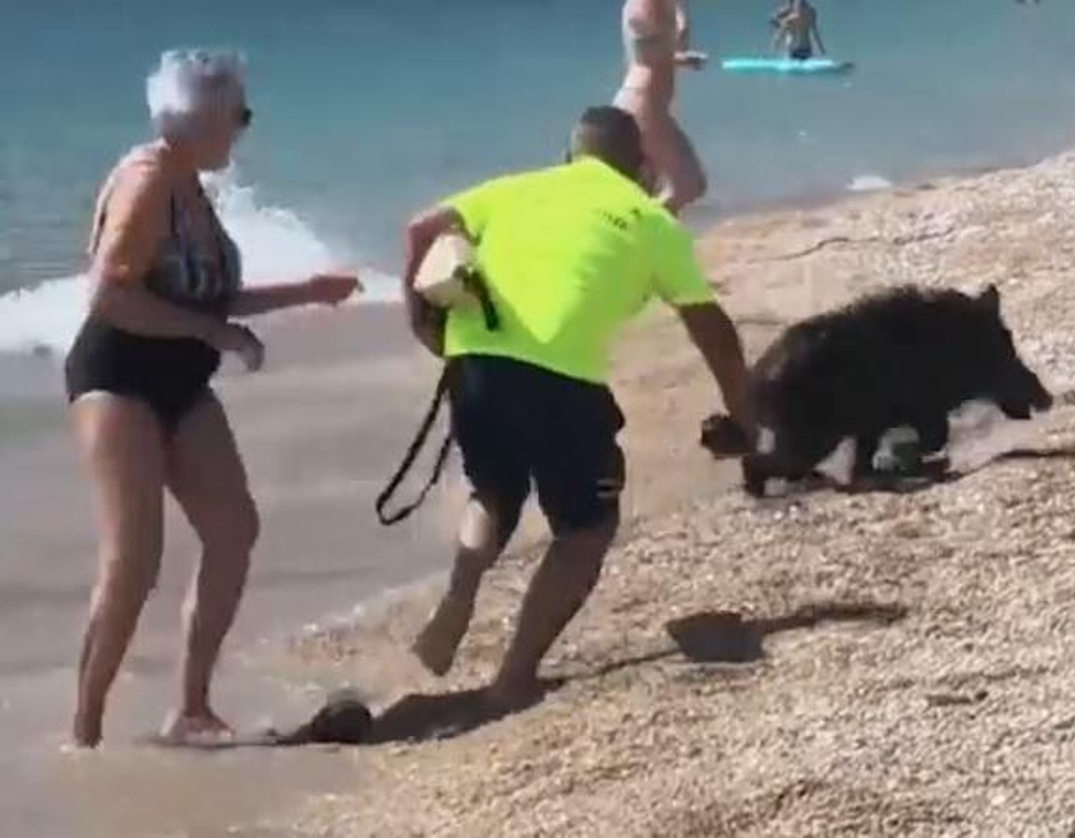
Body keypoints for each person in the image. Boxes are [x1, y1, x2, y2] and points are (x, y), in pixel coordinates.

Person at [400, 106, 756, 706]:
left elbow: (418, 230)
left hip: (475, 363)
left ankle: (459, 596)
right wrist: (743, 417)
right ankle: (512, 680)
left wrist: (422, 328)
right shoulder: (649, 219)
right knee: (586, 529)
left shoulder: (511, 189)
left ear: (570, 157)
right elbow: (712, 330)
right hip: (561, 383)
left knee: (494, 493)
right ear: (641, 169)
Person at [66, 50, 361, 747]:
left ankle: (190, 707)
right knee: (133, 562)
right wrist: (219, 334)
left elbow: (204, 292)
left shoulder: (191, 182)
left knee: (234, 530)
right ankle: (84, 732)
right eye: (241, 116)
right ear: (201, 121)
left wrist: (306, 292)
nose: (244, 129)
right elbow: (109, 296)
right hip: (118, 379)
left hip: (181, 381)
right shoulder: (146, 186)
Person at [616, 0, 708, 215]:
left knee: (654, 189)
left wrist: (681, 61)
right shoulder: (649, 4)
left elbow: (647, 54)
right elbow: (674, 41)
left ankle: (646, 239)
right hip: (644, 104)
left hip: (642, 102)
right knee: (688, 184)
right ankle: (640, 228)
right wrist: (681, 13)